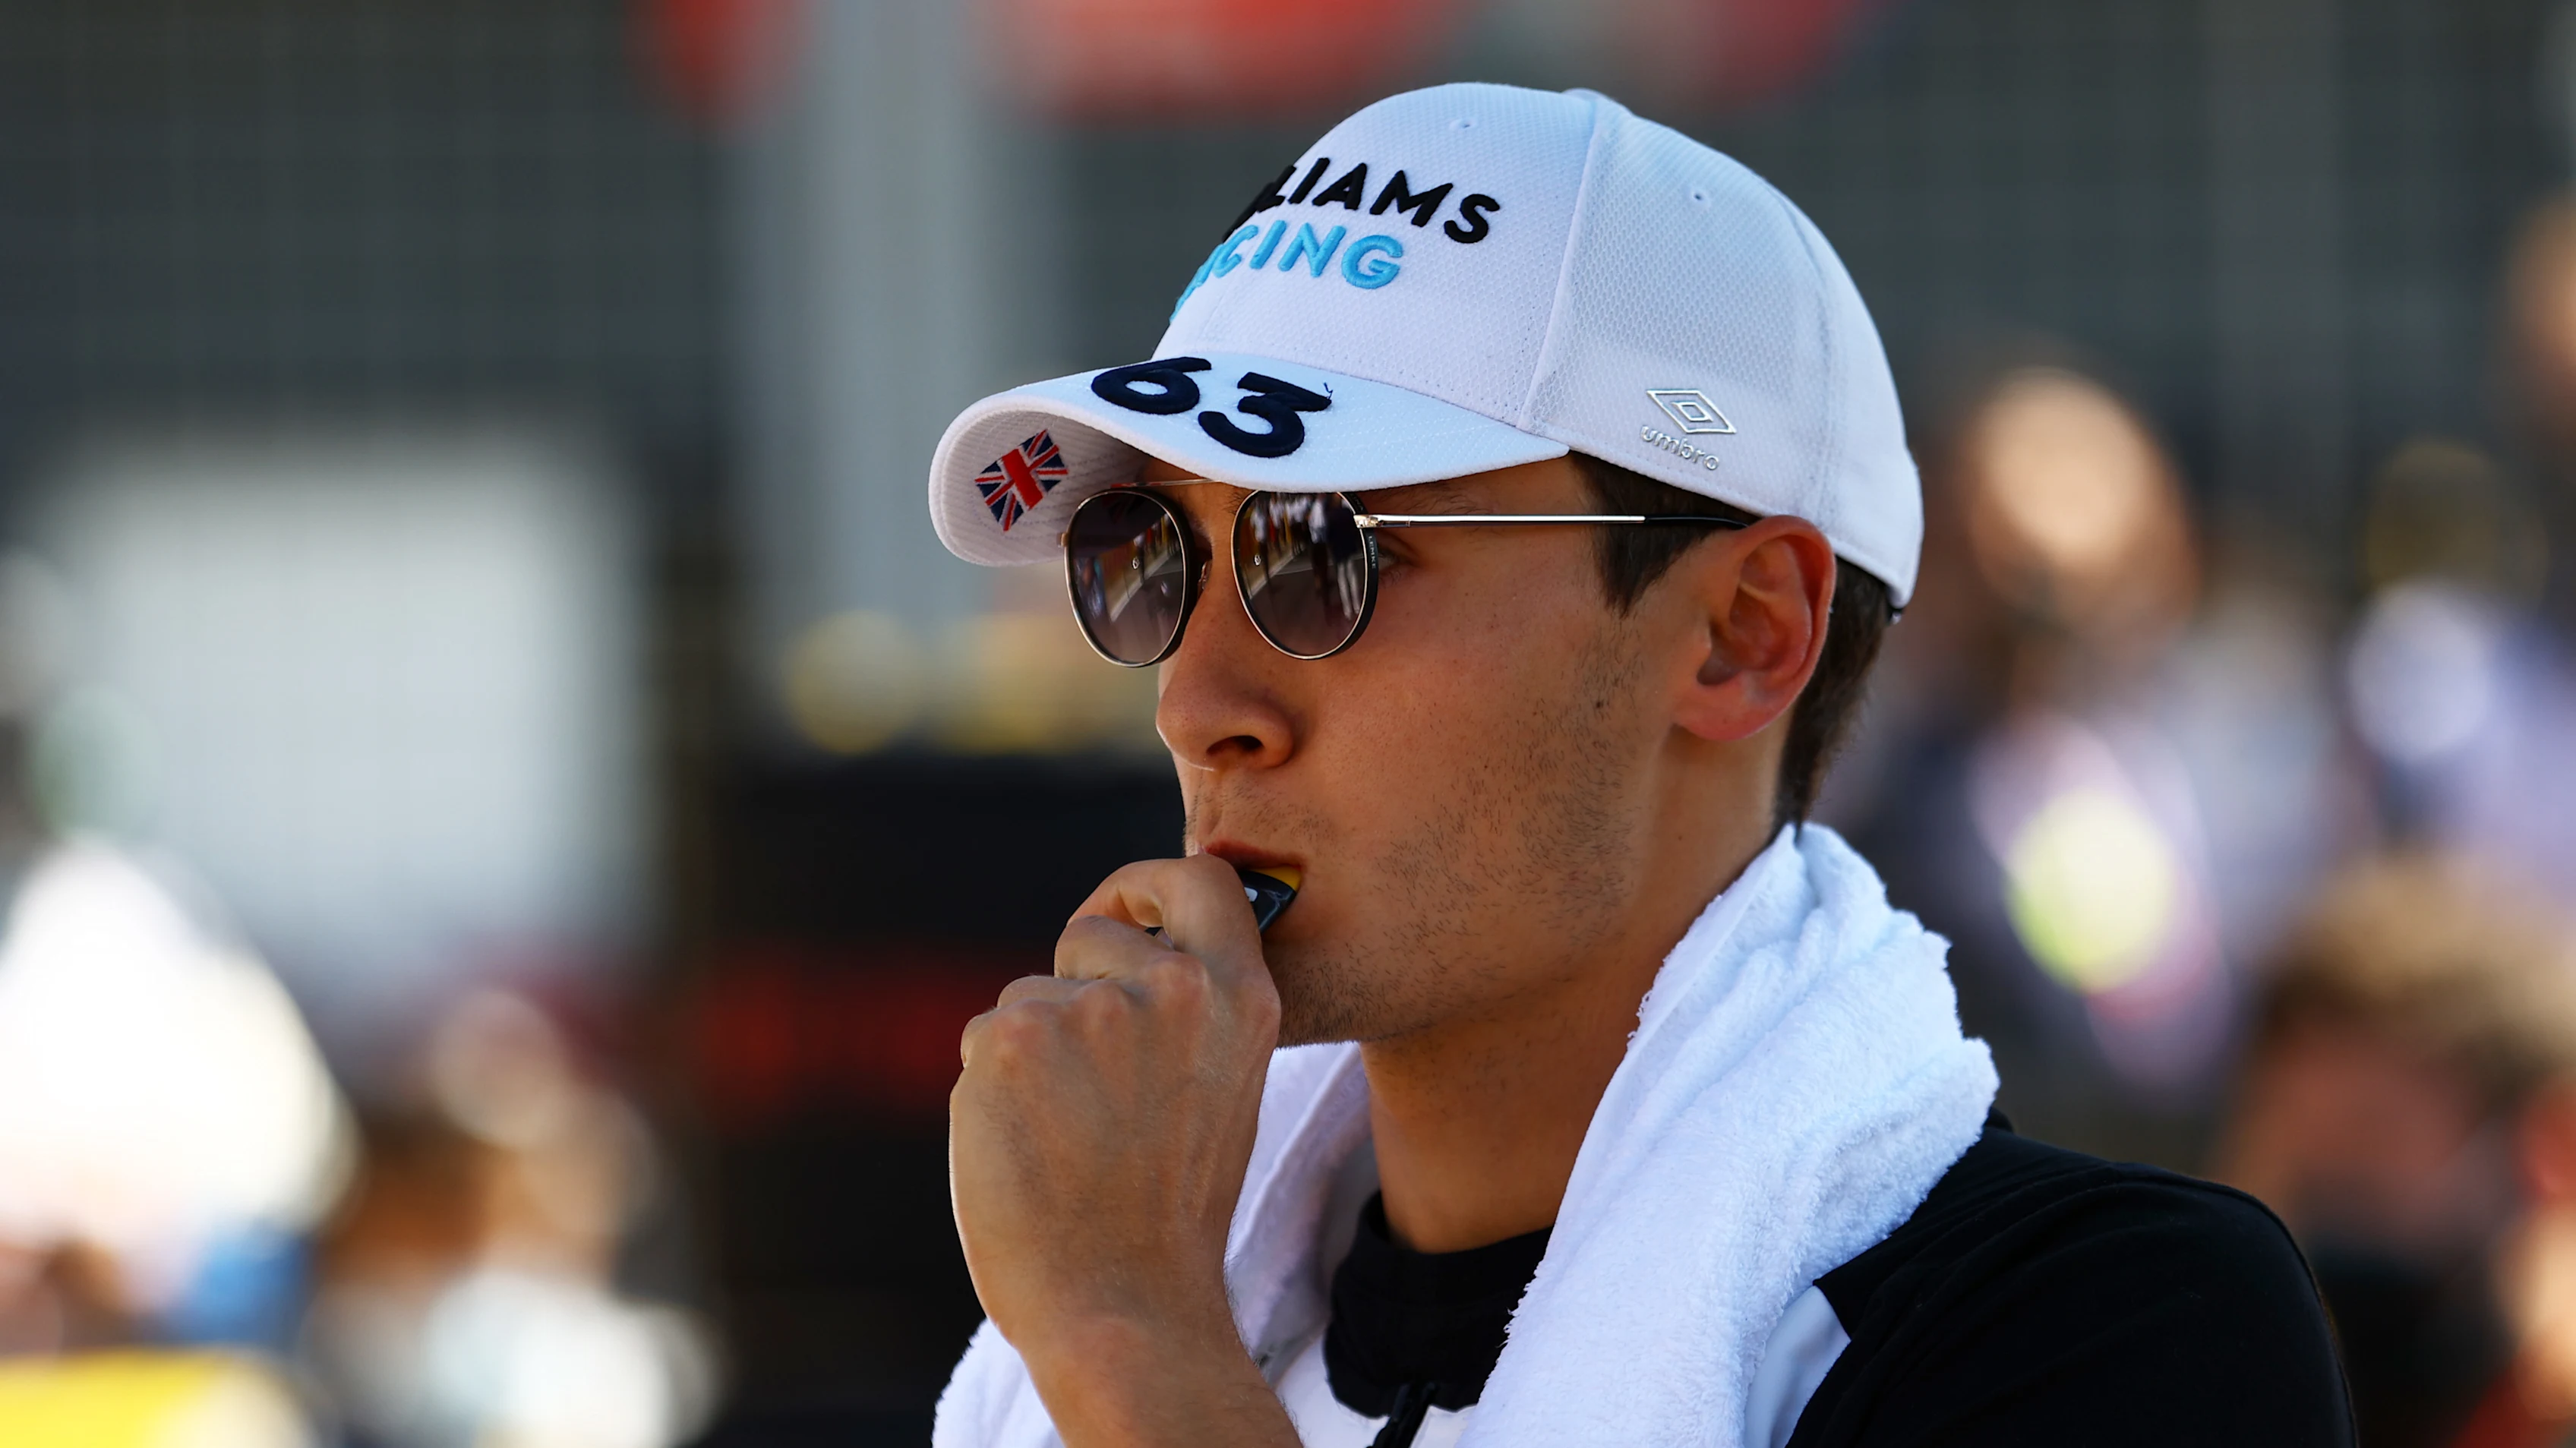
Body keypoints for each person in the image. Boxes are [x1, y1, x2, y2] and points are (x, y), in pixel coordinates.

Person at [927, 84, 2350, 1447]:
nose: (1195, 700)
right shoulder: (1141, 1297)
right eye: (1150, 557)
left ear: (1741, 633)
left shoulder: (2109, 1324)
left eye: (1322, 553)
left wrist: (1130, 1347)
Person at [2216, 853, 2576, 1448]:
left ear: (2547, 1150)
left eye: (2372, 1136)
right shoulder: (2200, 1394)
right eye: (2291, 1139)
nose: (2325, 1183)